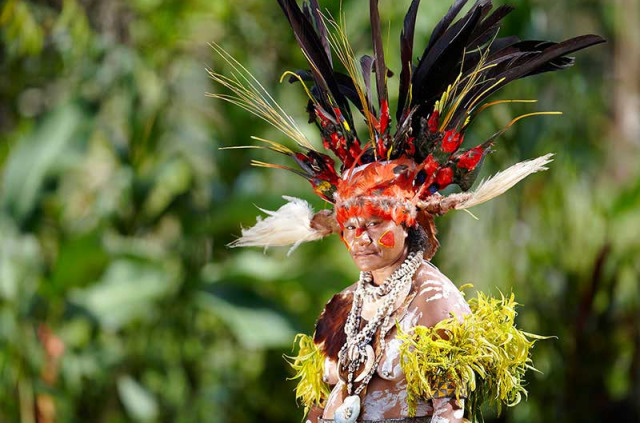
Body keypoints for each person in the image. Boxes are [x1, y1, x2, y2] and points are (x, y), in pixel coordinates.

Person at [212, 1, 603, 421]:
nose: (360, 237)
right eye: (350, 226)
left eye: (375, 223)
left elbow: (449, 413)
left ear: (406, 221)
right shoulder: (342, 305)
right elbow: (316, 407)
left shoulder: (433, 300)